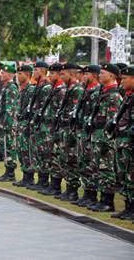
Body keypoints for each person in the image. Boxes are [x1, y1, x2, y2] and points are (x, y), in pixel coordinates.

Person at [87, 64, 123, 212]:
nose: (99, 75)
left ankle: (108, 202)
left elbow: (112, 121)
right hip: (97, 135)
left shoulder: (114, 95)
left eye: (103, 73)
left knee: (106, 168)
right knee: (98, 168)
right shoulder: (102, 92)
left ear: (112, 76)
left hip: (106, 138)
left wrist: (106, 139)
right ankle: (101, 199)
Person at [71, 65, 101, 207]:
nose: (83, 77)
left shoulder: (97, 93)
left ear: (94, 75)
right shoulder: (86, 91)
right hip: (83, 131)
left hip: (92, 133)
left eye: (86, 74)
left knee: (91, 164)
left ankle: (92, 195)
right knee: (83, 162)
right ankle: (87, 193)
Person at [55, 63, 84, 202]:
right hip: (64, 129)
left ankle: (73, 190)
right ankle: (68, 188)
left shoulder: (77, 89)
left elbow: (75, 113)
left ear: (71, 74)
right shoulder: (68, 89)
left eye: (63, 74)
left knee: (72, 160)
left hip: (71, 130)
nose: (61, 76)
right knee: (65, 159)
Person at [108, 65, 133, 219]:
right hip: (123, 142)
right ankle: (128, 207)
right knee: (124, 175)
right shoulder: (129, 96)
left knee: (131, 175)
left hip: (130, 142)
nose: (121, 82)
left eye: (124, 79)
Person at [38, 63, 67, 196]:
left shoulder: (61, 90)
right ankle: (50, 183)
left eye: (53, 73)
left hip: (55, 127)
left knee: (55, 156)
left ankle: (56, 186)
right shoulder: (53, 88)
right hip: (48, 126)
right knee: (47, 155)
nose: (49, 76)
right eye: (49, 73)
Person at [26, 61, 52, 191]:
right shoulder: (38, 85)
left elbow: (43, 107)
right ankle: (41, 179)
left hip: (43, 124)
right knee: (38, 152)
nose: (34, 72)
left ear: (42, 71)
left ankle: (44, 180)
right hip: (37, 123)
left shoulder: (46, 87)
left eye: (36, 70)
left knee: (44, 152)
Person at [0, 64, 20, 182]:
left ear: (10, 74)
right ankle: (7, 171)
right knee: (4, 147)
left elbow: (10, 109)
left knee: (9, 147)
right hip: (2, 122)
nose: (1, 74)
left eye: (3, 72)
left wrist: (7, 124)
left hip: (7, 124)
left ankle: (10, 173)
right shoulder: (6, 86)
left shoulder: (11, 87)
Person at [13, 64, 36, 187]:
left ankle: (29, 177)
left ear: (27, 75)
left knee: (27, 150)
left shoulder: (31, 90)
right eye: (17, 73)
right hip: (19, 124)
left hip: (26, 124)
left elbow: (30, 109)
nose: (17, 76)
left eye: (20, 74)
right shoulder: (21, 89)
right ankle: (25, 175)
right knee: (20, 150)